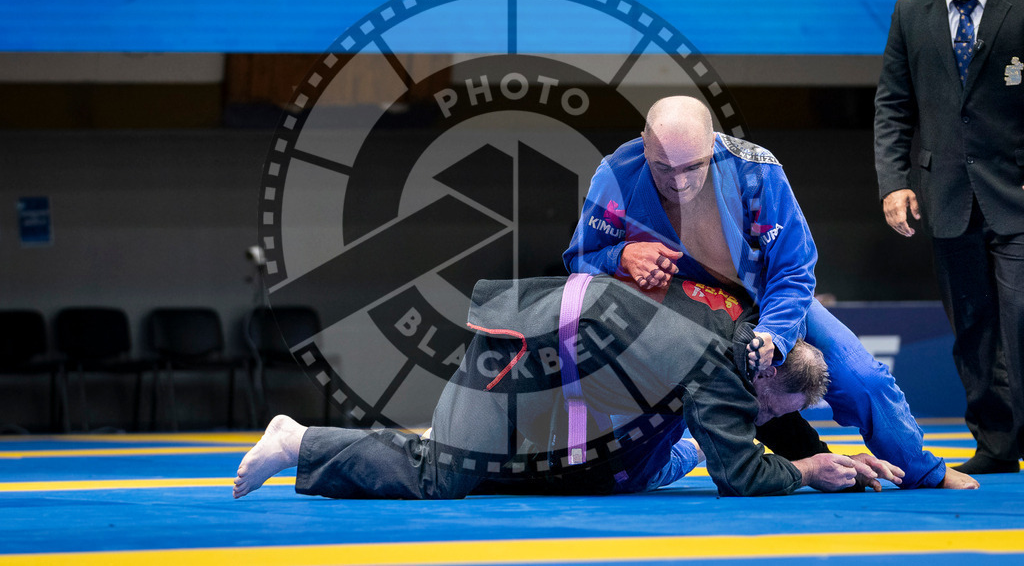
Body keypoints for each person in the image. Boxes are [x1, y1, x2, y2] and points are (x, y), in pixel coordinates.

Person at [563, 95, 977, 489]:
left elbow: (793, 270)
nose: (679, 181)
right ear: (643, 143)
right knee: (644, 460)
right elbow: (580, 261)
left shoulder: (755, 171)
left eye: (692, 166)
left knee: (864, 379)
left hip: (767, 299)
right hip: (684, 314)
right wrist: (622, 255)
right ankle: (709, 456)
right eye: (663, 168)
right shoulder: (618, 173)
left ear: (714, 144)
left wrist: (775, 334)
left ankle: (921, 471)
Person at [234, 275, 902, 500]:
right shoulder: (717, 367)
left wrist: (810, 451)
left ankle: (459, 434)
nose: (759, 420)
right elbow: (742, 474)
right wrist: (806, 469)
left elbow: (758, 420)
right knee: (447, 476)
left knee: (619, 462)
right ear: (760, 375)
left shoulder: (728, 344)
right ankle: (298, 440)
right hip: (521, 352)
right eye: (764, 410)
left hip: (552, 368)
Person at [874, 0, 1024, 475]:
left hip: (1015, 196)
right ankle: (996, 444)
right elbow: (893, 106)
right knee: (972, 328)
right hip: (948, 198)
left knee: (1020, 317)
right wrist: (893, 182)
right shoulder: (911, 12)